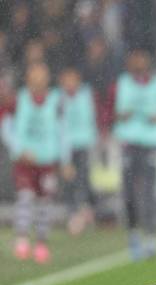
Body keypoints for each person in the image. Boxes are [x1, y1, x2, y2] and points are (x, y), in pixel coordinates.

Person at [108, 49, 156, 260]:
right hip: (129, 143)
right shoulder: (121, 84)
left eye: (142, 58)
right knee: (129, 193)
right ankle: (134, 234)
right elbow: (107, 109)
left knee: (148, 193)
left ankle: (151, 238)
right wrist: (116, 116)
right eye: (135, 58)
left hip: (151, 143)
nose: (138, 62)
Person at [8, 62, 66, 263]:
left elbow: (62, 130)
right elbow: (6, 125)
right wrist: (18, 150)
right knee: (25, 197)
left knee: (44, 203)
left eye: (43, 74)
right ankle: (22, 239)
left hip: (46, 161)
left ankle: (41, 243)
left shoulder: (56, 100)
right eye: (35, 74)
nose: (39, 78)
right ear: (29, 77)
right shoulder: (20, 98)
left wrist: (65, 159)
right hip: (25, 160)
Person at [59, 67, 97, 235]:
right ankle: (73, 213)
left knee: (82, 179)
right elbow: (59, 125)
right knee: (68, 182)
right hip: (65, 145)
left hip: (83, 144)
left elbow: (90, 119)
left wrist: (92, 140)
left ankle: (83, 210)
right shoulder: (58, 98)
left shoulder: (85, 96)